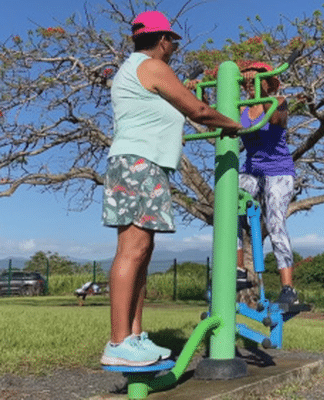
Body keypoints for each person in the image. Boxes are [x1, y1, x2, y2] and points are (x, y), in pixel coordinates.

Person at [100, 10, 243, 367]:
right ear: (162, 39)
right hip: (138, 163)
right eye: (173, 41)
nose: (174, 47)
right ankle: (118, 342)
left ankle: (134, 336)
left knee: (143, 251)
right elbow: (198, 111)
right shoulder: (151, 66)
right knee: (132, 249)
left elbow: (176, 103)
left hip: (144, 164)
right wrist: (232, 125)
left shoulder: (137, 70)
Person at [234, 61, 298, 305]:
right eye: (248, 81)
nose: (250, 84)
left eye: (257, 79)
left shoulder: (277, 101)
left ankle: (288, 288)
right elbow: (213, 118)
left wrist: (258, 89)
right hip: (251, 169)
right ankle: (239, 271)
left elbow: (276, 121)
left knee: (274, 221)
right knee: (229, 207)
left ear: (269, 84)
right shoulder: (239, 107)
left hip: (278, 170)